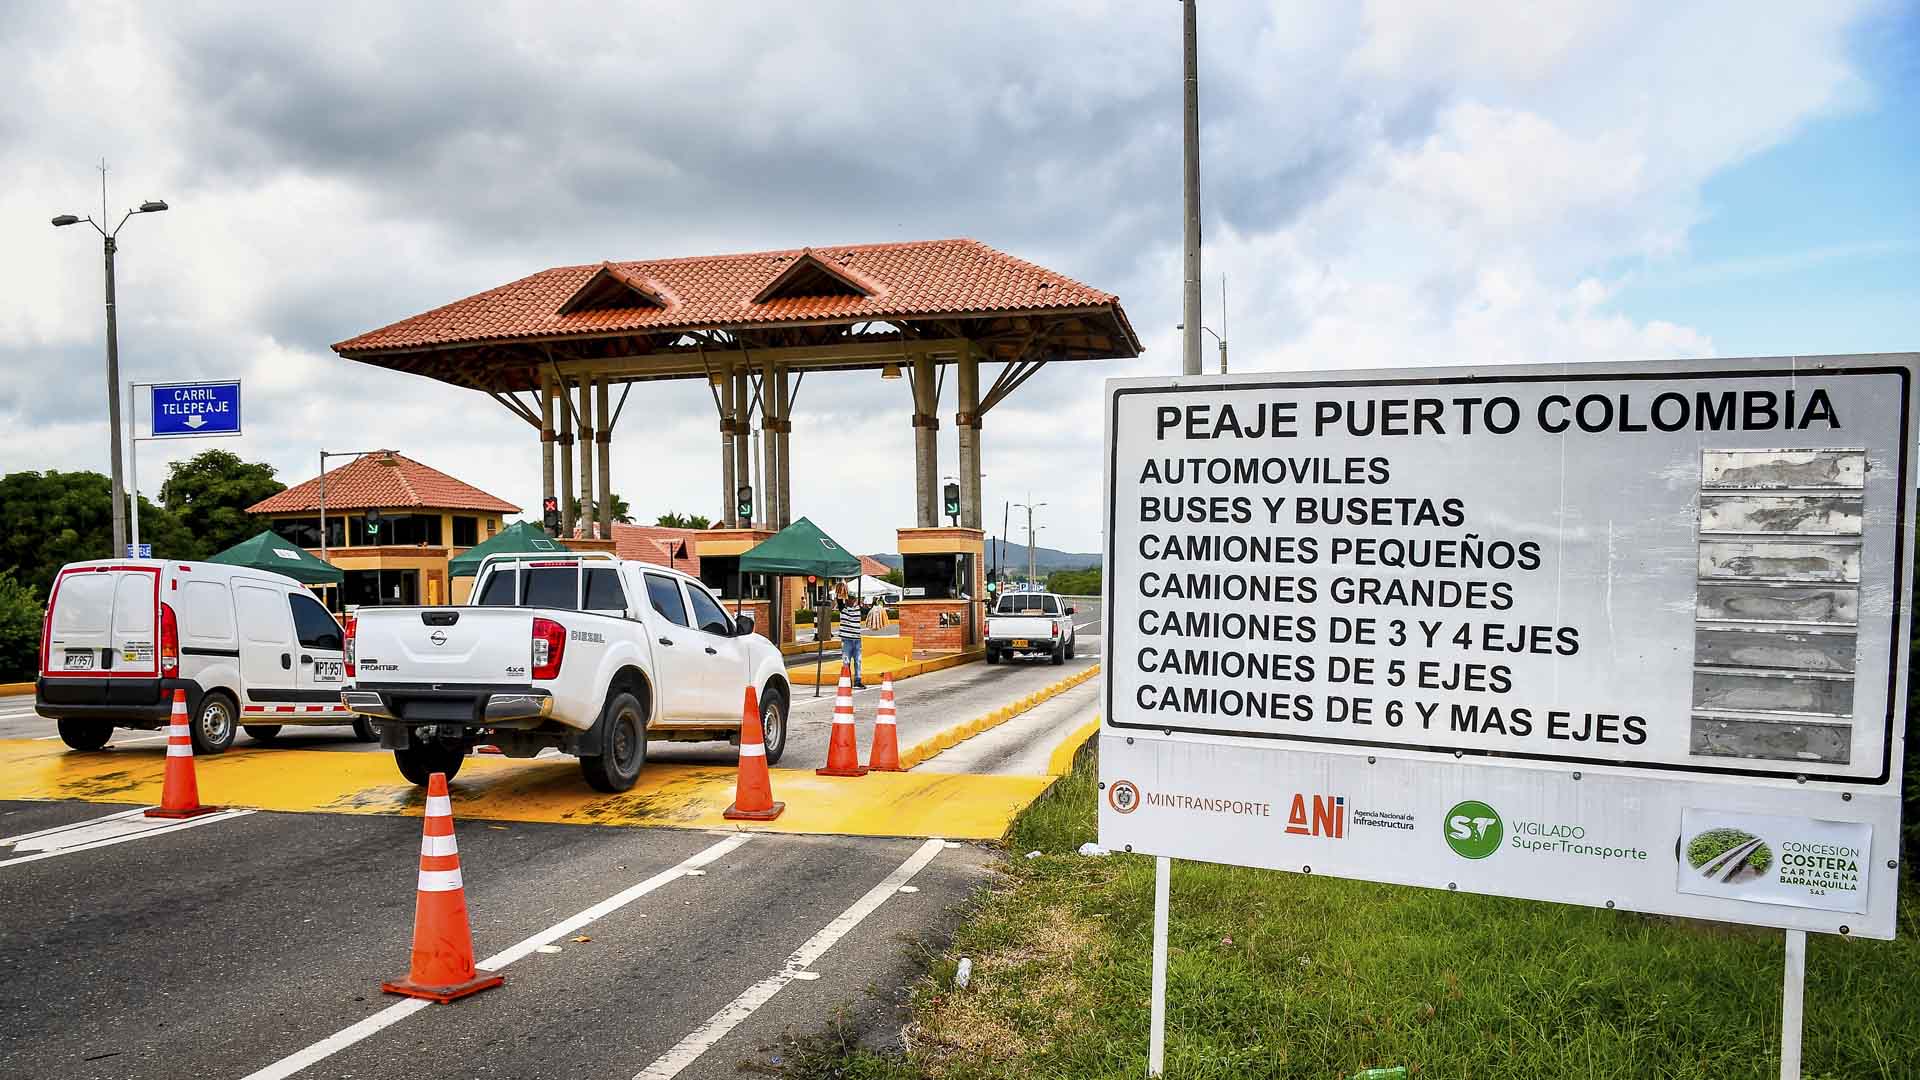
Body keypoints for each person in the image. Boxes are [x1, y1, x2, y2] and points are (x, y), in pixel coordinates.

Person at [835, 582, 871, 688]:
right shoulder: (843, 609)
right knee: (846, 661)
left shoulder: (858, 609)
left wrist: (876, 607)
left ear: (854, 600)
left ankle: (858, 681)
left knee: (858, 661)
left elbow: (869, 610)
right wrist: (842, 589)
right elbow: (839, 599)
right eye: (848, 599)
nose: (850, 600)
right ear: (846, 600)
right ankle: (846, 680)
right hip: (846, 640)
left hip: (857, 640)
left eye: (852, 599)